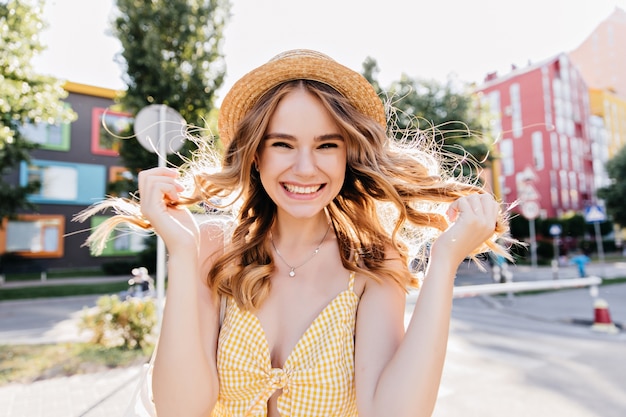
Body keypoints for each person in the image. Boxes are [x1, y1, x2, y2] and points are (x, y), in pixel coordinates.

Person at [77, 49, 510, 417]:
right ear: (255, 154)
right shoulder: (212, 249)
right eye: (283, 143)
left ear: (347, 155)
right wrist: (183, 253)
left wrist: (445, 261)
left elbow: (393, 412)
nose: (306, 167)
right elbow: (180, 410)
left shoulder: (374, 264)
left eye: (326, 145)